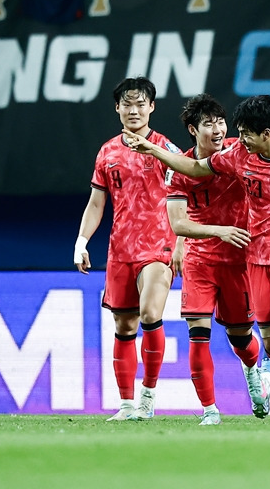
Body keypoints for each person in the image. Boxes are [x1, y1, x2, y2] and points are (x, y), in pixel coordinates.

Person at [126, 93, 270, 425]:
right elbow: (191, 180)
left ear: (264, 133)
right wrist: (155, 150)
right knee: (259, 341)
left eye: (229, 126)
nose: (228, 133)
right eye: (212, 124)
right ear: (193, 129)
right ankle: (223, 405)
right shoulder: (234, 156)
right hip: (239, 259)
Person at [74, 76, 181, 422]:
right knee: (123, 326)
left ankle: (148, 397)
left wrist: (182, 242)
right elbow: (96, 203)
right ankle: (125, 404)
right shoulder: (107, 152)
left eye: (141, 104)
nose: (134, 110)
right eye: (127, 104)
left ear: (152, 107)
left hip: (159, 246)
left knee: (150, 314)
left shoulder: (166, 149)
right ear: (117, 108)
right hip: (120, 250)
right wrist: (81, 241)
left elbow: (188, 194)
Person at [166, 93, 269, 424]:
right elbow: (178, 224)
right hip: (201, 261)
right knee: (198, 334)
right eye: (209, 124)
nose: (218, 130)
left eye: (221, 122)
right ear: (193, 130)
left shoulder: (240, 151)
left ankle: (253, 370)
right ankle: (210, 410)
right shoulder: (179, 170)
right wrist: (218, 231)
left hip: (239, 259)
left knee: (241, 338)